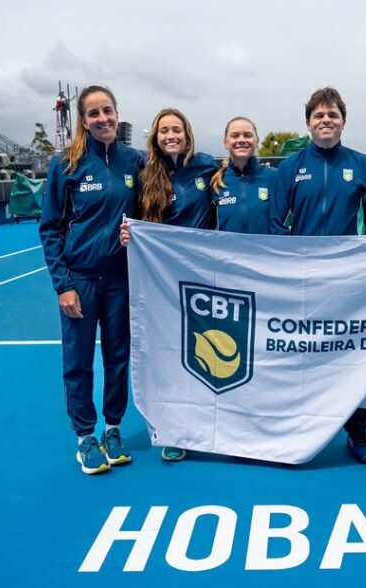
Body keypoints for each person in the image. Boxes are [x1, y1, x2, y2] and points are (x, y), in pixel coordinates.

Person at [269, 86, 366, 464]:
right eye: (318, 115)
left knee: (352, 358)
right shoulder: (289, 167)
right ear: (308, 123)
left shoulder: (361, 165)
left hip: (347, 281)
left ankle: (357, 432)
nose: (326, 120)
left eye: (332, 114)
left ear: (343, 121)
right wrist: (293, 266)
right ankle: (298, 430)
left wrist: (365, 265)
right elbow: (275, 224)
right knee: (299, 357)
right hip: (302, 281)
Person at [39, 85, 144, 475]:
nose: (103, 119)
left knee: (118, 358)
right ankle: (85, 437)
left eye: (108, 111)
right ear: (84, 120)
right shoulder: (66, 164)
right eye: (94, 113)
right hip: (80, 280)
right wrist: (63, 285)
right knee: (79, 361)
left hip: (121, 280)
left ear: (117, 113)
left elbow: (148, 214)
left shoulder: (135, 161)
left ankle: (112, 429)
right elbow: (50, 228)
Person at [127, 107, 217, 462]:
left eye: (176, 129)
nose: (170, 136)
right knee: (171, 357)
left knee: (204, 355)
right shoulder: (147, 176)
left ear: (187, 134)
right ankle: (175, 430)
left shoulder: (207, 166)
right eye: (164, 131)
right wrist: (129, 234)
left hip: (205, 281)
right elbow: (137, 224)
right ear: (156, 137)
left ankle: (211, 423)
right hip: (165, 284)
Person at [210, 116, 276, 234]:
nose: (241, 140)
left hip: (265, 247)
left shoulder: (275, 177)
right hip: (227, 247)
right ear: (225, 143)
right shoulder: (216, 183)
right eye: (235, 136)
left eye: (247, 135)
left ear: (257, 141)